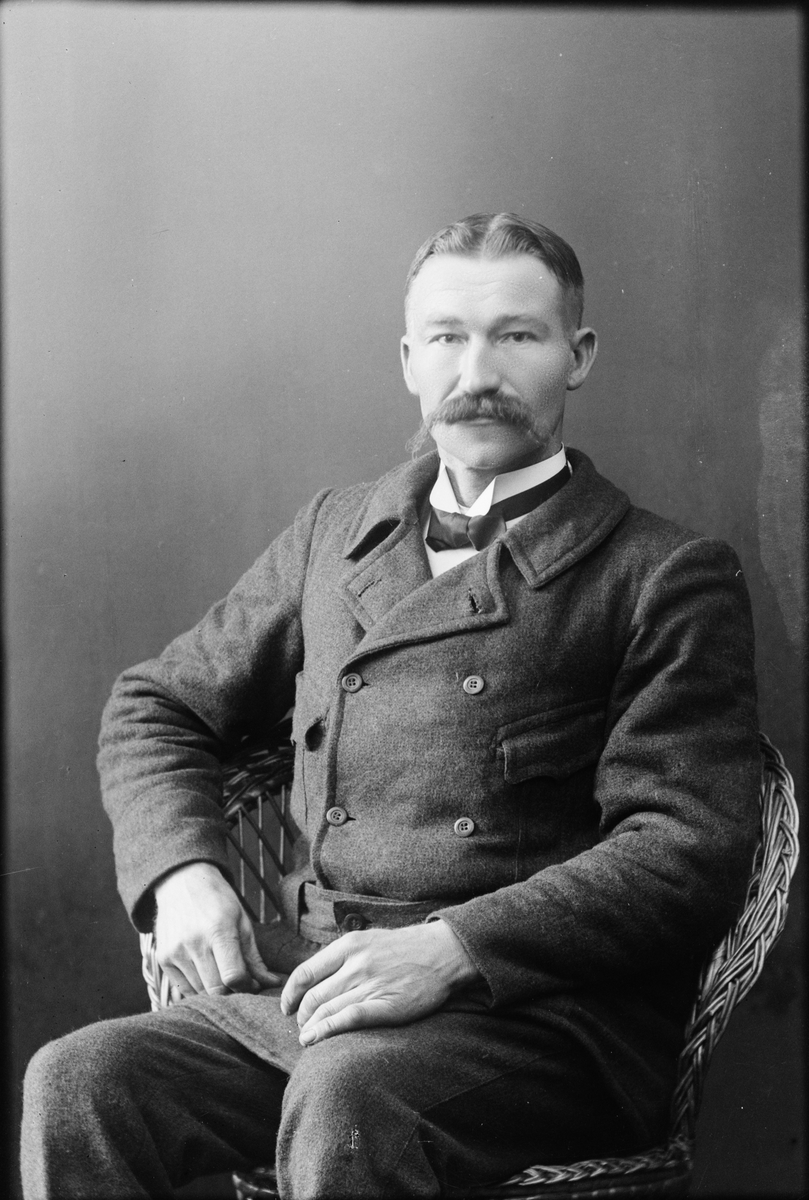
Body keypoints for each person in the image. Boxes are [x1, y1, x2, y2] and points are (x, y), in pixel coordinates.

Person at [21, 213, 761, 1199]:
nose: (477, 371)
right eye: (447, 336)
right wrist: (180, 872)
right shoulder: (336, 532)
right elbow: (156, 703)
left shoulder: (664, 573)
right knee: (79, 1082)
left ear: (577, 356)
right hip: (318, 988)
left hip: (539, 1017)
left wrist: (452, 949)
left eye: (516, 335)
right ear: (409, 360)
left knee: (348, 1097)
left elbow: (684, 848)